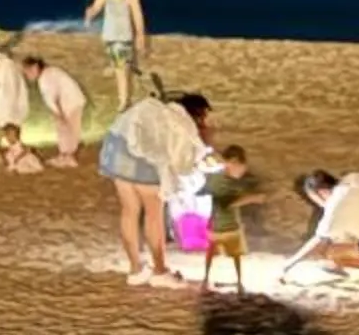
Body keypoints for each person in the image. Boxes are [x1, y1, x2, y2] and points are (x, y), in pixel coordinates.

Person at [100, 90, 212, 287]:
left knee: (129, 210)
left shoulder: (152, 109)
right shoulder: (180, 121)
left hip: (117, 150)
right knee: (154, 214)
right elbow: (181, 161)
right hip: (143, 159)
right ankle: (160, 271)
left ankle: (135, 269)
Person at [202, 143, 265, 291]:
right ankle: (208, 280)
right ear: (230, 162)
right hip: (219, 224)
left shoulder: (230, 180)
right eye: (236, 163)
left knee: (232, 254)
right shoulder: (218, 180)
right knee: (219, 253)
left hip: (229, 223)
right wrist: (252, 199)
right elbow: (226, 203)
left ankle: (236, 282)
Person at [85, 0, 149, 107]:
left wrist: (140, 36)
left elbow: (137, 15)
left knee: (121, 70)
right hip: (109, 36)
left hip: (124, 36)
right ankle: (121, 71)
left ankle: (123, 101)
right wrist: (90, 13)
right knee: (119, 65)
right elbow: (96, 7)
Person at [25, 53, 88, 167]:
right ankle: (66, 155)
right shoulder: (50, 73)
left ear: (35, 67)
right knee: (68, 129)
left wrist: (59, 114)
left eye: (28, 71)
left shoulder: (45, 77)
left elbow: (55, 97)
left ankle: (69, 157)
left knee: (68, 129)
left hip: (70, 103)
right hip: (72, 101)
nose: (27, 75)